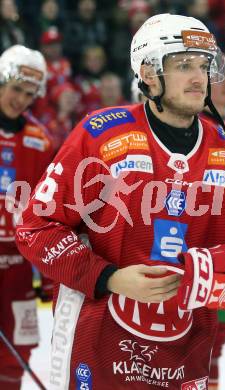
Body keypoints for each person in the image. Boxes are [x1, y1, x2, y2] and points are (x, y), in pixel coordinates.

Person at [15, 15, 225, 389]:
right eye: (183, 65)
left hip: (184, 355)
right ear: (148, 73)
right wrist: (109, 277)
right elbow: (36, 228)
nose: (199, 77)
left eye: (203, 65)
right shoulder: (100, 136)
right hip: (97, 344)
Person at [0, 44, 54, 390]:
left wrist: (49, 273)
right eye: (16, 88)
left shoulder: (41, 140)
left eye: (29, 93)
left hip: (18, 266)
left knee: (17, 350)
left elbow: (48, 210)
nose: (20, 99)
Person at [199, 56, 225, 390]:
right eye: (220, 80)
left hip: (224, 253)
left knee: (217, 338)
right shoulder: (200, 127)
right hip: (198, 250)